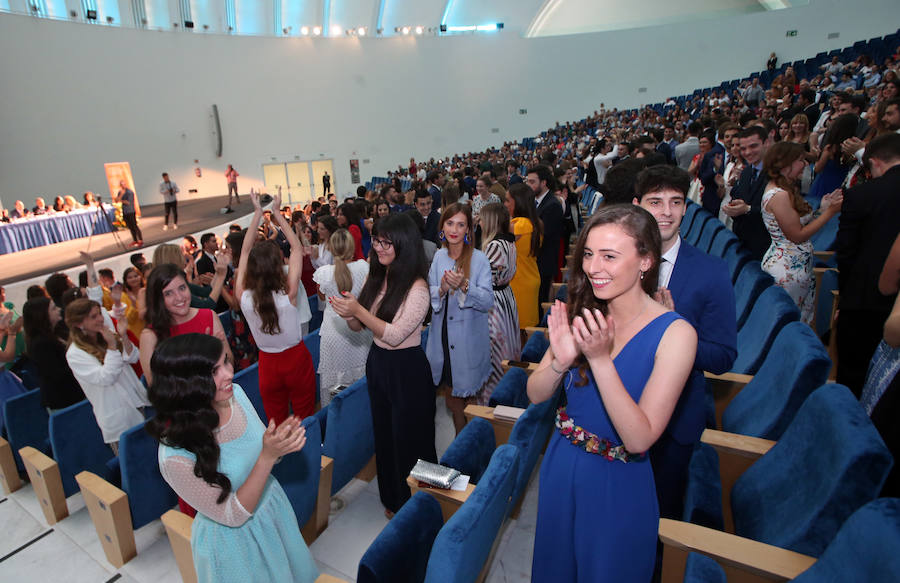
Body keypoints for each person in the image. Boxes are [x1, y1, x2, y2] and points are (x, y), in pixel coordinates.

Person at [527, 206, 696, 582]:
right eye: (588, 254)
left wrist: (599, 360)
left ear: (646, 261)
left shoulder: (676, 334)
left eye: (609, 256)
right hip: (561, 464)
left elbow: (639, 438)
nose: (593, 267)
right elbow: (535, 394)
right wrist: (560, 363)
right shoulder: (581, 310)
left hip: (616, 482)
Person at [147, 334, 318, 583]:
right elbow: (232, 515)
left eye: (225, 362)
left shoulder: (234, 394)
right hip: (234, 544)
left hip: (272, 509)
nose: (229, 373)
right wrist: (267, 456)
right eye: (214, 371)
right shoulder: (174, 456)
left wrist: (278, 446)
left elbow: (261, 452)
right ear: (186, 384)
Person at [633, 165, 738, 523]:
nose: (666, 212)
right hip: (615, 412)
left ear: (686, 207)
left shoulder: (711, 271)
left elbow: (723, 356)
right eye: (656, 201)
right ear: (637, 205)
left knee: (659, 520)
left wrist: (674, 327)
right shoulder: (615, 260)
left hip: (674, 424)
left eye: (675, 202)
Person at [330, 213, 435, 518]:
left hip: (407, 369)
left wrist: (359, 311)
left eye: (387, 241)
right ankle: (393, 499)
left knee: (411, 438)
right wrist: (348, 312)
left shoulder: (417, 288)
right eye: (376, 240)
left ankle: (419, 503)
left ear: (404, 244)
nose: (379, 247)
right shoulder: (378, 277)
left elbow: (395, 334)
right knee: (386, 435)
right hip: (379, 364)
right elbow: (358, 328)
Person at [236, 192, 316, 423]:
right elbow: (296, 248)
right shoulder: (288, 293)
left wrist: (257, 214)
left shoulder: (243, 296)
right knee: (304, 415)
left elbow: (244, 250)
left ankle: (280, 458)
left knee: (276, 420)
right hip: (295, 360)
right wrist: (278, 214)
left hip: (267, 365)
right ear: (278, 264)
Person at [835, 133, 900, 396]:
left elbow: (846, 253)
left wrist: (845, 299)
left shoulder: (861, 195)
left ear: (874, 162)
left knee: (853, 378)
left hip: (863, 302)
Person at [425, 203, 493, 433]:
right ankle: (460, 439)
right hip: (442, 334)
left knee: (470, 396)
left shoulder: (479, 259)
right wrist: (442, 289)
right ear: (442, 226)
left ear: (468, 230)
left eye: (461, 224)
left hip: (468, 338)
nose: (455, 229)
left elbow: (487, 302)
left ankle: (473, 442)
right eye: (450, 223)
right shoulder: (438, 257)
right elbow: (430, 294)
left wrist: (465, 285)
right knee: (451, 395)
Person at [761, 142, 843, 323]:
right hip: (787, 270)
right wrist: (830, 213)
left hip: (795, 266)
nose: (806, 164)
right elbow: (797, 236)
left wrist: (822, 210)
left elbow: (800, 225)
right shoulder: (779, 195)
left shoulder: (786, 190)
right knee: (786, 323)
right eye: (800, 160)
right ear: (784, 163)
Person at [64, 299, 149, 453]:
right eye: (93, 316)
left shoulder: (105, 334)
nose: (101, 319)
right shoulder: (75, 354)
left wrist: (123, 335)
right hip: (118, 417)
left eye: (99, 314)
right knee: (134, 465)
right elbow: (106, 377)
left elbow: (133, 357)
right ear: (78, 324)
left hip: (136, 402)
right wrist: (111, 347)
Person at [139, 263, 231, 385]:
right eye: (168, 293)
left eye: (182, 288)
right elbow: (157, 387)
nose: (179, 297)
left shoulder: (209, 316)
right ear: (158, 299)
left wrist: (216, 354)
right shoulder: (150, 336)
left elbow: (230, 361)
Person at [313, 229, 372, 405]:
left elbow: (322, 298)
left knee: (336, 391)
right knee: (362, 385)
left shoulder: (324, 273)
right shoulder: (363, 267)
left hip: (333, 334)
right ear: (352, 247)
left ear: (331, 248)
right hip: (360, 330)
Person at [477, 203, 521, 405]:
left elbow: (482, 278)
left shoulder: (495, 245)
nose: (480, 221)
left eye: (483, 218)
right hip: (504, 297)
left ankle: (492, 401)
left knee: (494, 350)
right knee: (504, 347)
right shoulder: (508, 242)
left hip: (494, 302)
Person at [22, 296, 85, 411]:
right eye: (53, 308)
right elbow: (56, 373)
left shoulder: (57, 331)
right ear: (42, 315)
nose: (59, 309)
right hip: (65, 400)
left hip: (74, 394)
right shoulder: (40, 344)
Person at [722, 126, 773, 260]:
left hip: (768, 248)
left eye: (753, 146)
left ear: (766, 143)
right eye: (743, 149)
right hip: (745, 246)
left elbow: (781, 212)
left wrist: (748, 209)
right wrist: (734, 209)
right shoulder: (746, 172)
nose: (748, 152)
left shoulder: (777, 172)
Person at [505, 183, 542, 329]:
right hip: (527, 278)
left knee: (519, 332)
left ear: (518, 202)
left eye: (508, 200)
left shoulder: (519, 225)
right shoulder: (534, 222)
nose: (505, 204)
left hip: (519, 282)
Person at [528, 165, 564, 305]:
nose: (529, 185)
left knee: (540, 300)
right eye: (528, 181)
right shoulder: (535, 201)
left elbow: (545, 236)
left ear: (543, 183)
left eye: (533, 182)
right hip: (536, 261)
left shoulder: (552, 204)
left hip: (544, 261)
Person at [115, 180, 143, 247]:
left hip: (130, 211)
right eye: (121, 184)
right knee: (130, 227)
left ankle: (140, 240)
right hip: (125, 211)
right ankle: (135, 240)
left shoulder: (129, 192)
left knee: (134, 226)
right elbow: (116, 201)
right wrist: (120, 196)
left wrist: (120, 200)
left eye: (123, 184)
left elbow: (128, 202)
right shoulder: (120, 192)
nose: (122, 186)